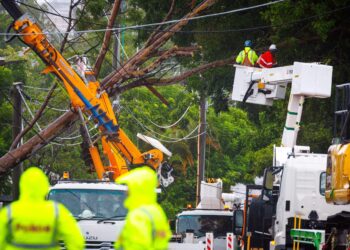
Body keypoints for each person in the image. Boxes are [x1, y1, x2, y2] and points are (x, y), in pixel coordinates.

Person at [0, 167, 85, 250]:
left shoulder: (9, 212)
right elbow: (76, 242)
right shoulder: (56, 211)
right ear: (44, 186)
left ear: (22, 186)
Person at [114, 167, 171, 250]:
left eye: (129, 186)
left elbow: (138, 245)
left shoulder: (138, 215)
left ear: (137, 187)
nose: (126, 190)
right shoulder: (156, 211)